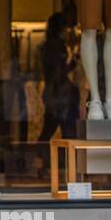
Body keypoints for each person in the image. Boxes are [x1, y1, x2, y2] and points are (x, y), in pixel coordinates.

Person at [37, 12, 79, 141]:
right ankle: (62, 159)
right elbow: (57, 71)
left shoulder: (46, 46)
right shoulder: (56, 45)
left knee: (51, 129)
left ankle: (44, 157)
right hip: (60, 93)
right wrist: (72, 64)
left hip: (55, 92)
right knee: (66, 131)